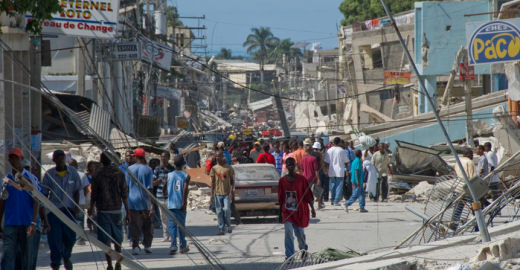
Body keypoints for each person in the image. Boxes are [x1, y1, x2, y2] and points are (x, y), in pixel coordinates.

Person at [42, 150, 83, 270]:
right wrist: (44, 217)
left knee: (70, 237)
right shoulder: (49, 175)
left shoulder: (73, 172)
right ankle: (55, 263)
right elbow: (44, 195)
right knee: (55, 240)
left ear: (65, 159)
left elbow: (76, 190)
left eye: (62, 158)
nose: (60, 160)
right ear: (54, 160)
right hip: (54, 212)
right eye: (58, 158)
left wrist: (76, 206)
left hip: (69, 211)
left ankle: (66, 256)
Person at [0, 148, 41, 270]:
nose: (14, 160)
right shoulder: (5, 180)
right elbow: (2, 201)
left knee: (26, 257)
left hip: (27, 223)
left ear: (21, 159)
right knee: (8, 256)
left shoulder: (30, 178)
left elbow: (36, 200)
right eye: (12, 158)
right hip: (11, 223)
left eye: (16, 158)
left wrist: (34, 222)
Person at [89, 152, 130, 270]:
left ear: (101, 161)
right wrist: (128, 212)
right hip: (117, 210)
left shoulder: (97, 174)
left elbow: (94, 195)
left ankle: (109, 264)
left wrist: (91, 210)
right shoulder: (119, 173)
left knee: (105, 240)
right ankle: (118, 262)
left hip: (103, 211)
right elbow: (124, 195)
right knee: (118, 239)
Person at [278, 158, 316, 260]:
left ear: (295, 166)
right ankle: (290, 256)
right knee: (288, 233)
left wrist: (312, 209)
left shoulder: (302, 180)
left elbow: (308, 195)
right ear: (286, 166)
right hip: (287, 212)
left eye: (292, 165)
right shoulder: (282, 181)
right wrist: (279, 214)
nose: (290, 167)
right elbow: (281, 198)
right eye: (288, 165)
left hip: (299, 212)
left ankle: (303, 250)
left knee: (300, 234)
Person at [126, 148, 154, 255]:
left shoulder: (129, 169)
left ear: (135, 157)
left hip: (132, 200)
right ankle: (147, 245)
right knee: (147, 224)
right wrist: (152, 204)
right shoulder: (148, 169)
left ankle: (135, 246)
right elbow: (149, 188)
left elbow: (126, 187)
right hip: (145, 201)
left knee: (134, 225)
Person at [165, 155, 191, 255]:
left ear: (174, 164)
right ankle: (183, 246)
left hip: (171, 204)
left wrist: (165, 192)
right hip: (181, 205)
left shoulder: (169, 175)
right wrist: (184, 202)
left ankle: (173, 245)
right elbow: (185, 190)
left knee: (172, 226)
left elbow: (164, 187)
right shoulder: (186, 176)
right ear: (183, 164)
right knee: (181, 226)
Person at [68, 159, 93, 245]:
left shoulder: (66, 175)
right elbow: (86, 189)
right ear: (76, 166)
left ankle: (72, 237)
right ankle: (80, 239)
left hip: (69, 202)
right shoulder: (82, 175)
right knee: (80, 220)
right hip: (80, 201)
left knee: (71, 220)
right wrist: (84, 197)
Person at [210, 151, 235, 235]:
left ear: (222, 157)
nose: (217, 158)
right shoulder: (214, 168)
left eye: (219, 156)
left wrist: (231, 192)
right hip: (217, 193)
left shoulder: (228, 168)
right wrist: (211, 194)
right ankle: (221, 228)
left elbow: (232, 181)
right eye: (216, 157)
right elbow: (212, 182)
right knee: (219, 211)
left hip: (226, 193)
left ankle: (228, 225)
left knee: (227, 209)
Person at [153, 151, 174, 242]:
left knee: (171, 216)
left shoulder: (172, 169)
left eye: (165, 157)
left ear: (169, 158)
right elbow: (152, 183)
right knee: (163, 217)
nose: (163, 158)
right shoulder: (157, 169)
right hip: (160, 196)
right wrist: (158, 181)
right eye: (162, 157)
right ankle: (165, 235)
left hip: (170, 197)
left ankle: (172, 234)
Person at [324, 137, 350, 206]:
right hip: (339, 170)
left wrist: (326, 170)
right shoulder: (341, 150)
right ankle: (336, 200)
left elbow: (326, 162)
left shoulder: (329, 150)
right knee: (339, 186)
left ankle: (332, 199)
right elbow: (346, 162)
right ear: (339, 142)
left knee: (332, 185)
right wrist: (347, 169)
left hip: (331, 170)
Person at [301, 140, 319, 208]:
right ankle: (311, 205)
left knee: (305, 192)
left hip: (305, 177)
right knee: (311, 193)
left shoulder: (303, 159)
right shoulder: (313, 159)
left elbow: (302, 169)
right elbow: (316, 170)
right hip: (312, 178)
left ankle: (305, 204)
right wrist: (318, 179)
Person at [311, 142, 327, 209]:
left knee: (313, 188)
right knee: (319, 188)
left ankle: (314, 203)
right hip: (319, 172)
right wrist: (325, 171)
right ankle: (319, 204)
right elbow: (322, 164)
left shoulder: (310, 154)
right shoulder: (319, 155)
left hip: (312, 172)